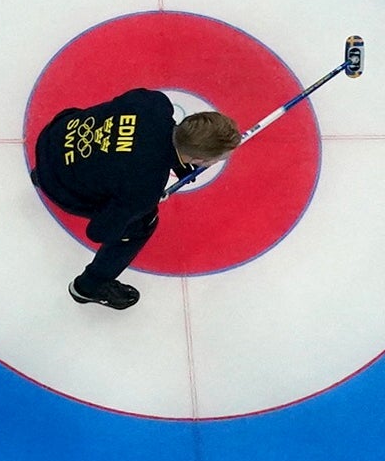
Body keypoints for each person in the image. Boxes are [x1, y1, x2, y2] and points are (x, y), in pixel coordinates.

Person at [31, 89, 240, 310]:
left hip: (53, 140)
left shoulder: (153, 102)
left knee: (102, 151)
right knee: (143, 224)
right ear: (199, 159)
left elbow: (136, 142)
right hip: (60, 186)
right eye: (218, 159)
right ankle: (89, 286)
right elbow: (99, 231)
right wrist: (136, 204)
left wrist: (172, 162)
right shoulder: (145, 187)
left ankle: (45, 175)